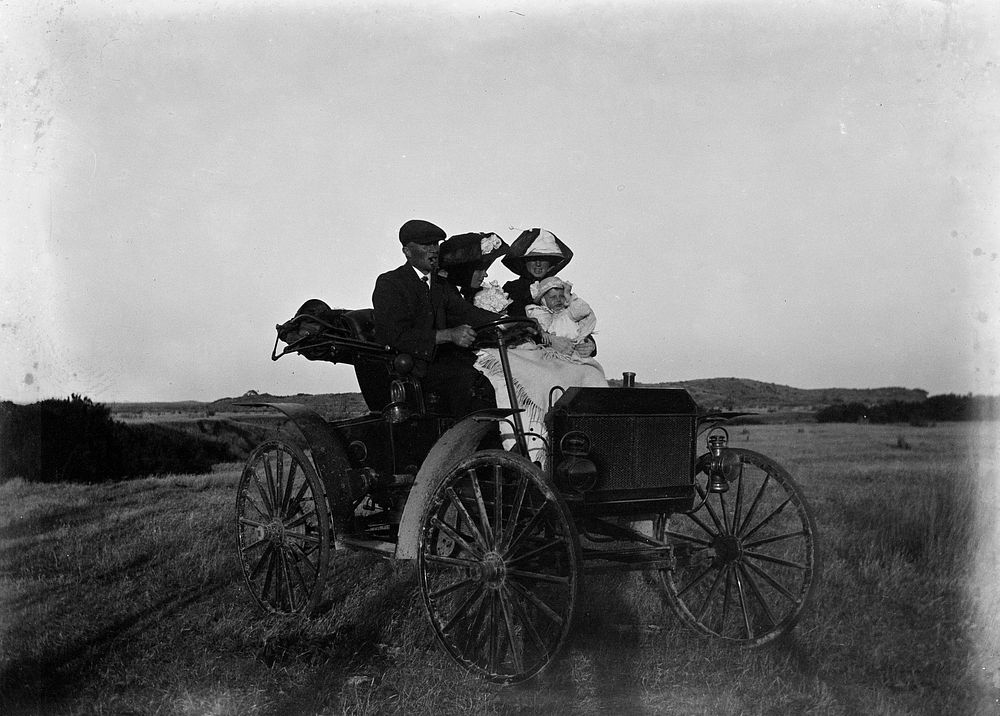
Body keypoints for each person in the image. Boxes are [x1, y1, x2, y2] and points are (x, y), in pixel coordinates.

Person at [372, 219, 501, 417]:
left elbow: (467, 312)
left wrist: (506, 321)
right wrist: (448, 335)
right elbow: (396, 335)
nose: (433, 250)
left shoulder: (441, 285)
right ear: (407, 251)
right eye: (426, 245)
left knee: (496, 373)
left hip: (445, 361)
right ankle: (480, 443)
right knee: (472, 383)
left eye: (436, 245)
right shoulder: (390, 283)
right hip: (413, 367)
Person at [527, 277, 601, 364]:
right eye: (553, 297)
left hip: (576, 356)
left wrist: (568, 296)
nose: (558, 300)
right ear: (543, 300)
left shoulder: (570, 313)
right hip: (551, 358)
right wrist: (545, 336)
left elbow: (584, 310)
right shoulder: (541, 314)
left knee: (592, 373)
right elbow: (537, 329)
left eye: (561, 296)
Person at [501, 228, 573, 317]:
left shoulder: (559, 287)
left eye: (543, 259)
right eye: (533, 259)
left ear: (550, 263)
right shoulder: (512, 288)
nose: (538, 264)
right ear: (525, 262)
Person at [438, 231, 510, 304]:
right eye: (479, 269)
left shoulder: (478, 297)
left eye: (484, 269)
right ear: (461, 272)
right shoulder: (442, 297)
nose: (485, 275)